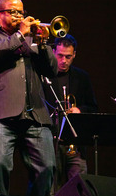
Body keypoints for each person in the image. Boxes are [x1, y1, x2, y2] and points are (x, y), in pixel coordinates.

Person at [0, 0, 58, 196]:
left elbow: (52, 70)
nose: (19, 16)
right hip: (0, 114)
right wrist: (20, 35)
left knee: (48, 167)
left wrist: (43, 43)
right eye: (13, 12)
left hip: (35, 114)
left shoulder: (32, 38)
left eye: (21, 12)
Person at [42, 35, 98, 188]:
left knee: (79, 188)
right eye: (60, 55)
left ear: (74, 55)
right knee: (51, 188)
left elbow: (93, 107)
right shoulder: (43, 76)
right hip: (51, 141)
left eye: (68, 56)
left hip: (75, 142)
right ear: (53, 52)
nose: (63, 61)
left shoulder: (82, 77)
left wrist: (79, 110)